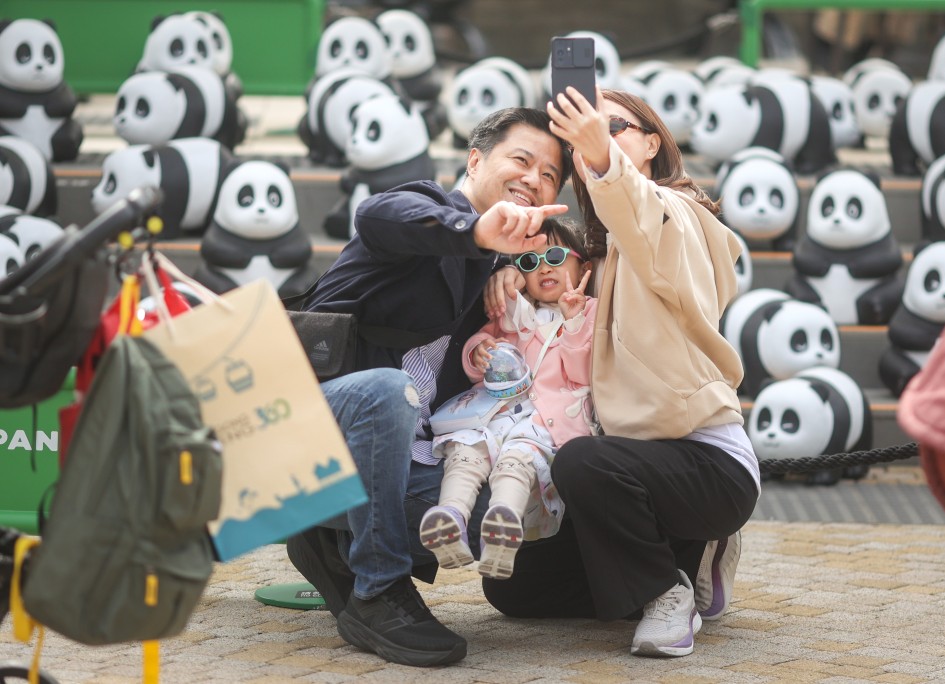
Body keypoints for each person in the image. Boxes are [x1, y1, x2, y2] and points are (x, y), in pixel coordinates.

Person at [285, 107, 571, 668]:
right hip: (313, 424)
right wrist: (473, 230)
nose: (533, 179)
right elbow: (379, 214)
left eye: (549, 175)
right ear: (475, 158)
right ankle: (378, 589)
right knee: (387, 392)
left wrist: (507, 270)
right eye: (521, 159)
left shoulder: (495, 275)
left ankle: (330, 542)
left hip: (406, 449)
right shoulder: (426, 211)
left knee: (491, 505)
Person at [480, 88, 761, 658]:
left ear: (653, 142)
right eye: (584, 133)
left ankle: (664, 591)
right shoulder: (592, 261)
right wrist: (508, 283)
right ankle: (684, 555)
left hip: (705, 464)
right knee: (516, 589)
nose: (597, 137)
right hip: (626, 470)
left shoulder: (681, 217)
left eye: (616, 127)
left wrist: (602, 156)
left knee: (584, 463)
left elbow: (639, 212)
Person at [419, 217, 596, 580]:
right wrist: (479, 351)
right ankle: (450, 515)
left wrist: (575, 320)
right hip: (497, 412)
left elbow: (583, 372)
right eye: (530, 263)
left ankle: (504, 523)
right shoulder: (513, 311)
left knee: (517, 460)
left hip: (544, 419)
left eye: (556, 256)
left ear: (585, 266)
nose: (544, 267)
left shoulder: (589, 312)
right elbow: (481, 346)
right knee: (466, 451)